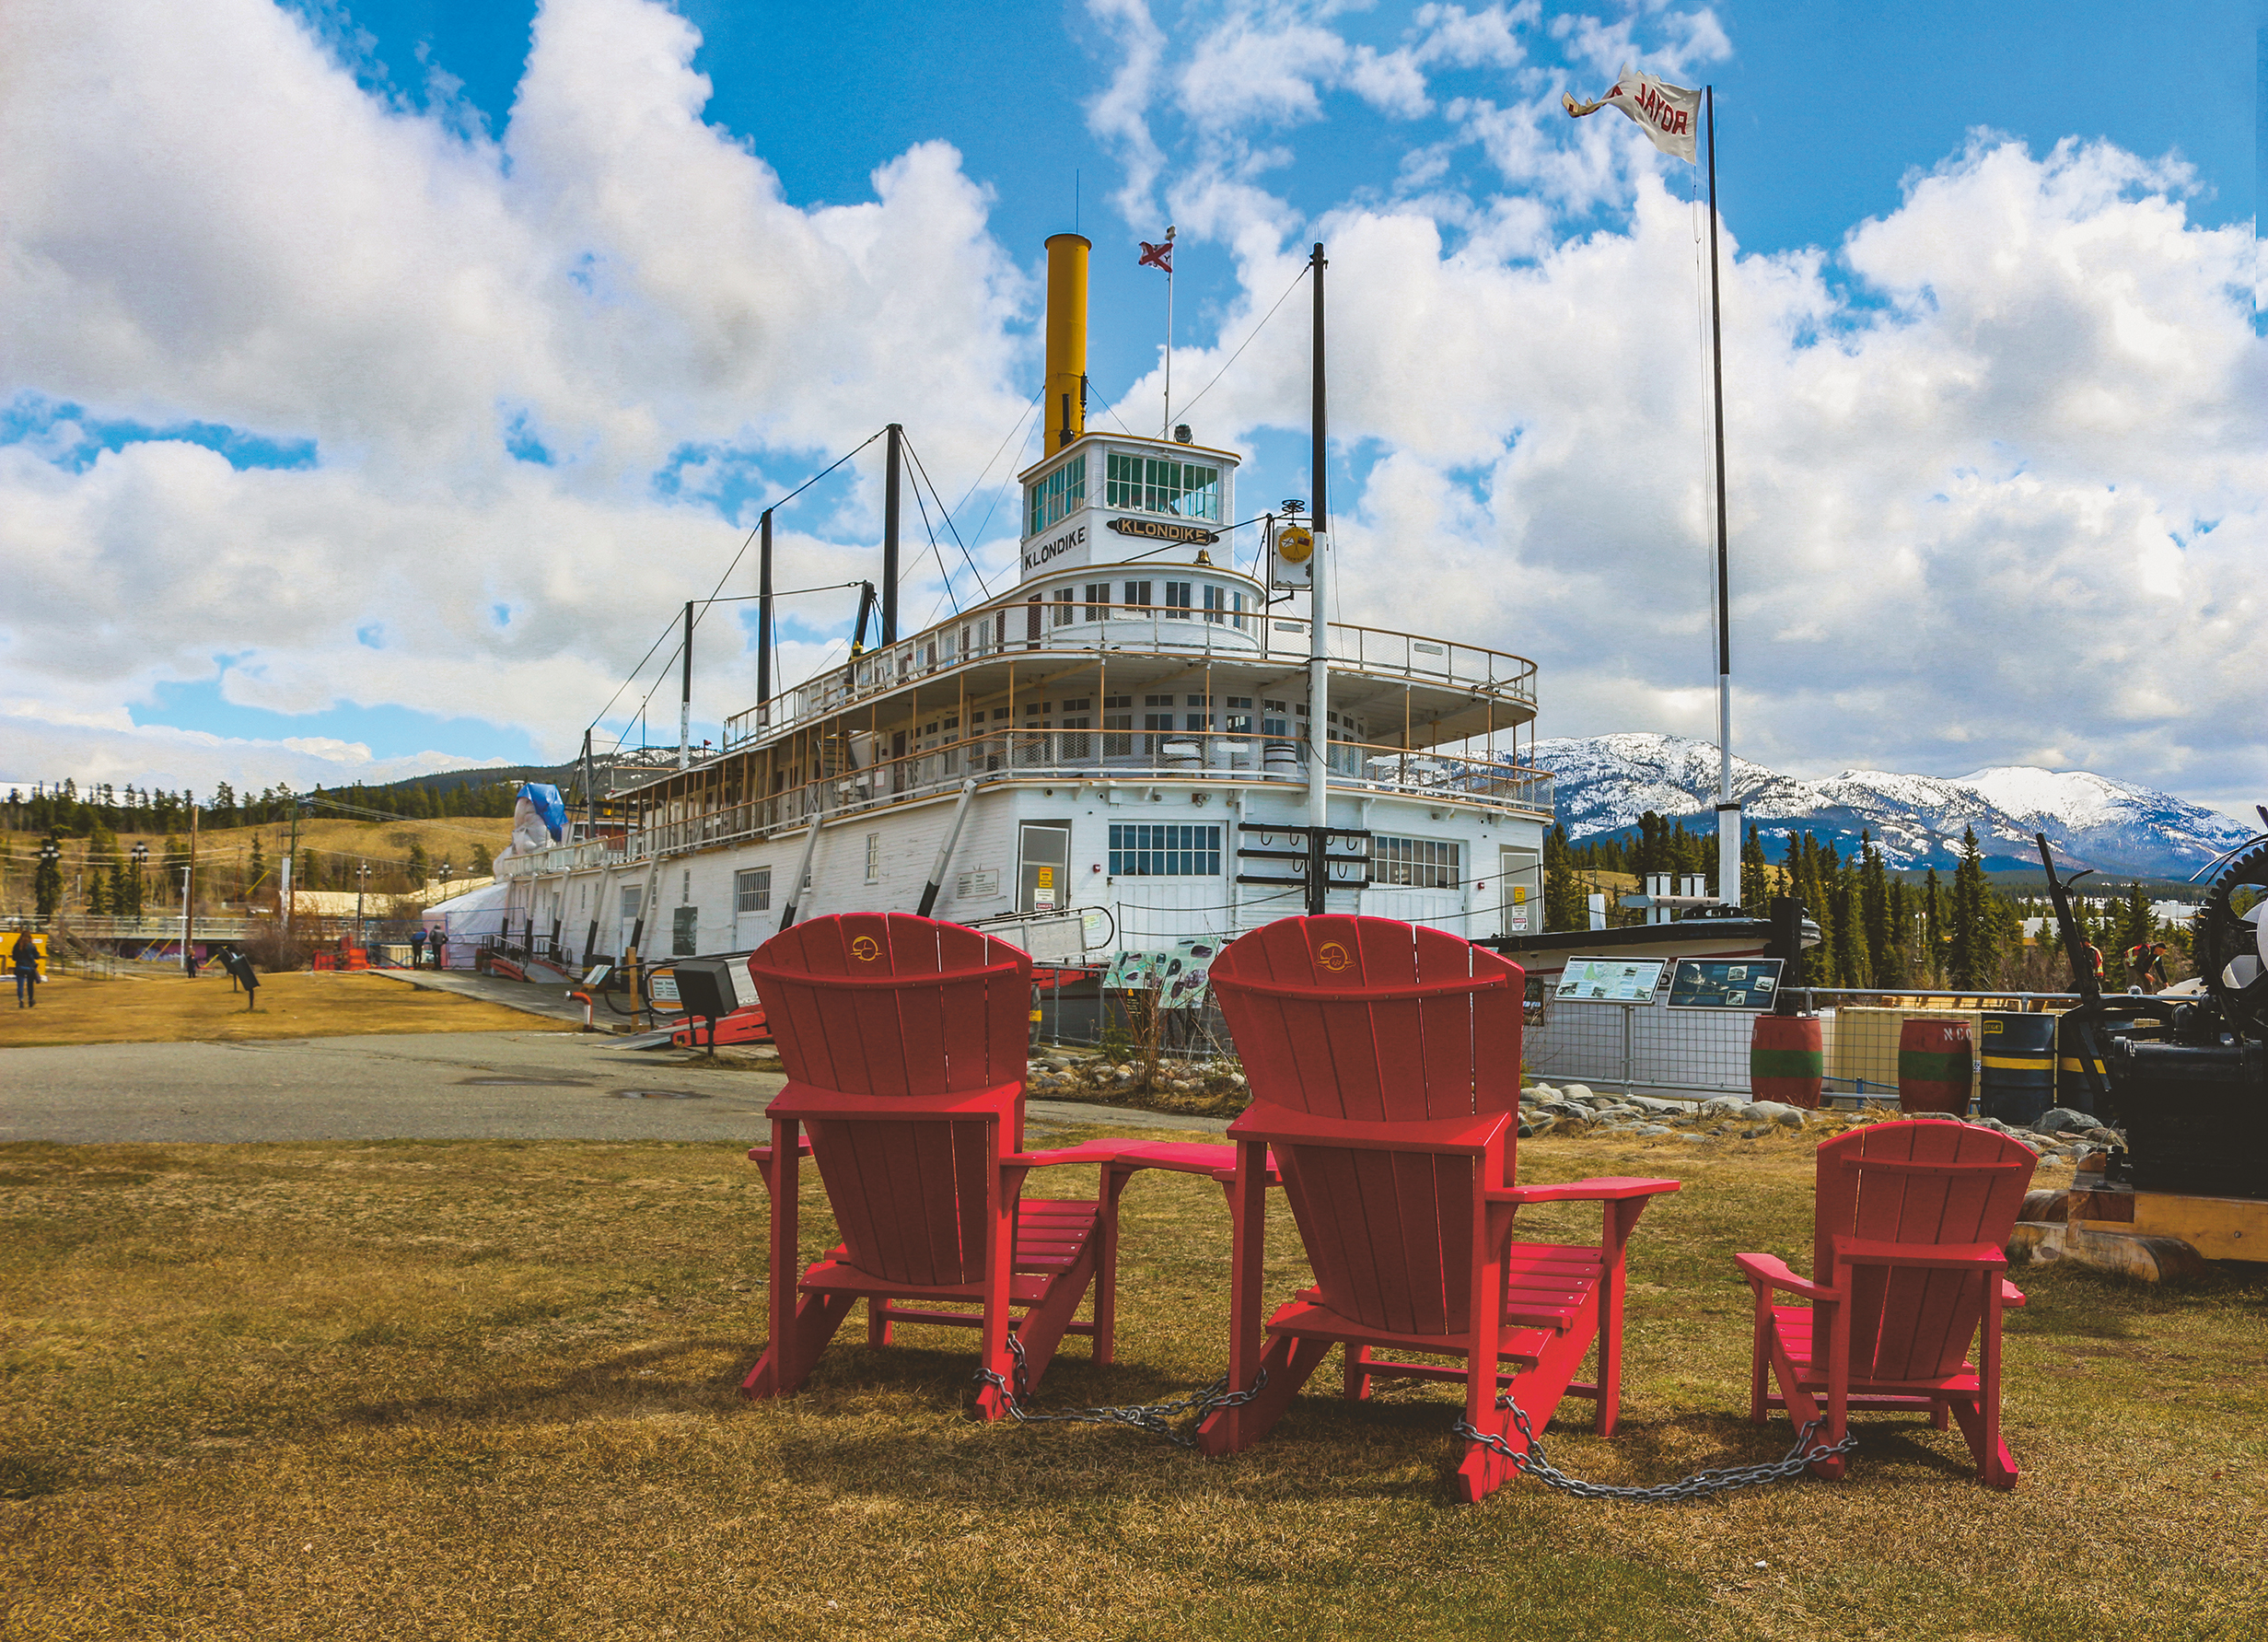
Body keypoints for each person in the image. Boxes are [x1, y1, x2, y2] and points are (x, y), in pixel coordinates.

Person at [11, 932, 38, 1008]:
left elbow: (14, 958)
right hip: (30, 967)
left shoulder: (17, 946)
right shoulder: (32, 946)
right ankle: (30, 1000)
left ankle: (21, 1000)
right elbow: (37, 956)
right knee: (30, 985)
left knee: (20, 985)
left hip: (20, 966)